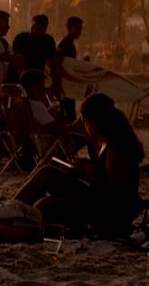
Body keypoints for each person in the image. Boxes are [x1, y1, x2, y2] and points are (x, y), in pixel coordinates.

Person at [14, 94, 144, 236]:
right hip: (101, 201)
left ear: (93, 122)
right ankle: (11, 211)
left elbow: (116, 193)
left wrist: (87, 173)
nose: (84, 125)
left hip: (111, 212)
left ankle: (13, 214)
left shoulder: (115, 147)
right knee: (48, 173)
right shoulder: (106, 141)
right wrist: (81, 170)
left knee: (44, 205)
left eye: (84, 121)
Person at [12, 14, 60, 93]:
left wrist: (57, 84)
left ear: (45, 29)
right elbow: (19, 64)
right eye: (33, 27)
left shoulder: (48, 40)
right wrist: (27, 84)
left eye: (38, 28)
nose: (34, 30)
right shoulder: (21, 38)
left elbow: (53, 64)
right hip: (19, 80)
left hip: (38, 80)